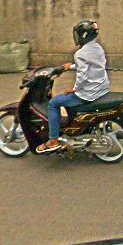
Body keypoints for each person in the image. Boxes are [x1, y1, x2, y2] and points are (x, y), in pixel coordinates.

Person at [36, 20, 110, 154]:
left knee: (53, 103)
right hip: (101, 88)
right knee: (64, 100)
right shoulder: (97, 48)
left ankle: (53, 140)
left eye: (78, 34)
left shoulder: (80, 54)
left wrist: (75, 89)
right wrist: (70, 66)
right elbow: (91, 66)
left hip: (88, 93)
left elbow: (82, 76)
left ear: (84, 35)